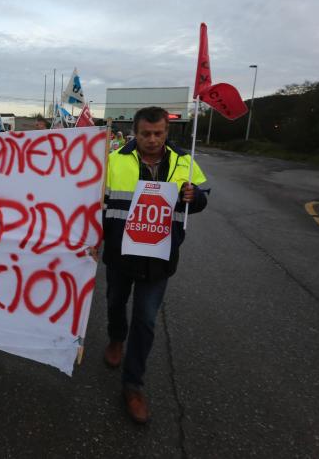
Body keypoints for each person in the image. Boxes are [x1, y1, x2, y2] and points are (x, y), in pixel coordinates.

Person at [98, 106, 208, 424]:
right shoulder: (115, 159)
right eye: (145, 133)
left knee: (145, 320)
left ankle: (133, 386)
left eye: (158, 133)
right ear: (135, 131)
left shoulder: (184, 160)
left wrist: (194, 196)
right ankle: (116, 338)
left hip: (159, 258)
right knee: (115, 302)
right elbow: (93, 201)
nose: (151, 139)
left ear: (166, 132)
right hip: (120, 253)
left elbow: (201, 199)